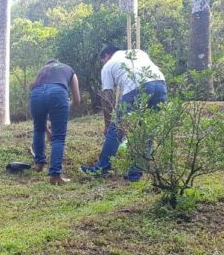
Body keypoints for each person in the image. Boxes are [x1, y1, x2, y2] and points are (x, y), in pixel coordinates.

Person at [81, 45, 167, 181]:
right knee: (147, 130)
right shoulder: (138, 52)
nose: (103, 63)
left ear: (106, 56)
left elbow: (107, 96)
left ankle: (101, 168)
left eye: (102, 60)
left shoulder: (108, 65)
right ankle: (135, 174)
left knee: (116, 129)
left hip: (136, 88)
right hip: (160, 84)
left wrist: (108, 124)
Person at [29, 59, 81, 185]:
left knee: (38, 129)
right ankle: (55, 175)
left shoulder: (42, 72)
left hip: (35, 94)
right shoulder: (68, 68)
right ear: (58, 63)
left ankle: (39, 164)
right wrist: (63, 107)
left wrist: (46, 129)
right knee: (58, 137)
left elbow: (40, 125)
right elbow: (77, 101)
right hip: (58, 93)